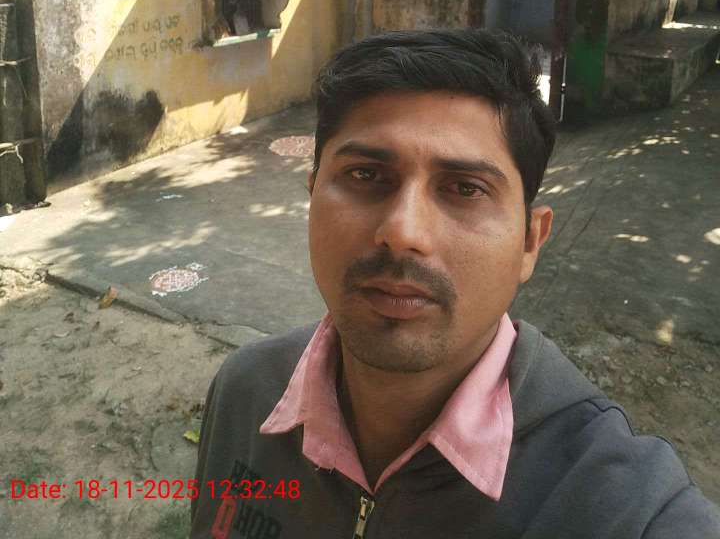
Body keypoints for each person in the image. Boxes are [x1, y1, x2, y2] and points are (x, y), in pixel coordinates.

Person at [190, 29, 720, 539]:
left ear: (529, 242)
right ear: (312, 199)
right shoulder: (245, 392)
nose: (403, 232)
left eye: (466, 188)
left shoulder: (625, 505)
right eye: (365, 175)